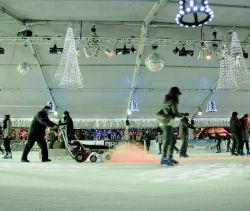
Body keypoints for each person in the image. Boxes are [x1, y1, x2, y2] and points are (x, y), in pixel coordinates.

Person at [156, 87, 184, 166]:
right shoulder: (173, 101)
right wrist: (183, 114)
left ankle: (169, 157)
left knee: (172, 140)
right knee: (168, 140)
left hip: (164, 122)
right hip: (167, 122)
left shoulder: (167, 101)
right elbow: (176, 113)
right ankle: (164, 158)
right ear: (174, 94)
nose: (178, 96)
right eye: (178, 94)